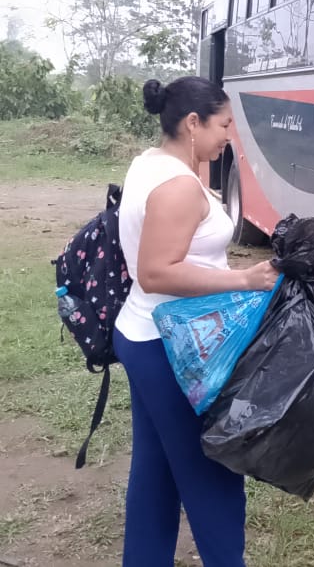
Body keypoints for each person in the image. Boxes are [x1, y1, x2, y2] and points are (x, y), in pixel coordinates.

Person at [113, 77, 280, 567]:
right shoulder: (179, 187)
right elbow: (156, 272)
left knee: (156, 474)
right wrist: (244, 279)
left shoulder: (151, 163)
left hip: (145, 335)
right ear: (193, 122)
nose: (230, 135)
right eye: (224, 125)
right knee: (213, 476)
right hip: (173, 348)